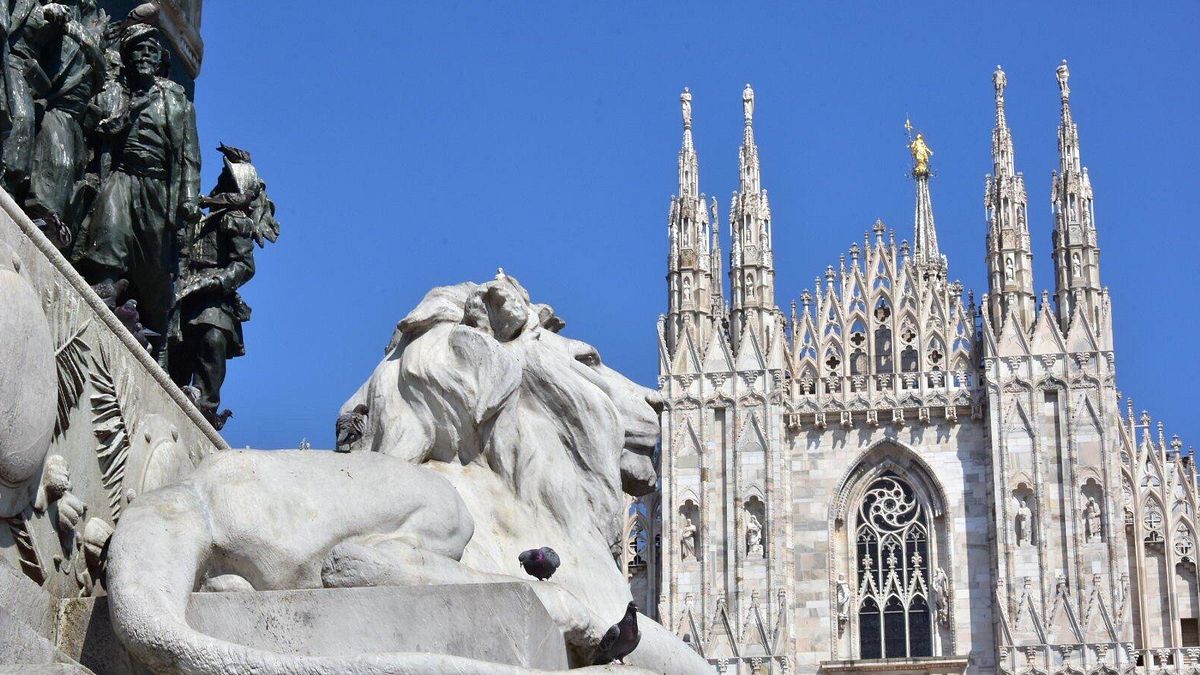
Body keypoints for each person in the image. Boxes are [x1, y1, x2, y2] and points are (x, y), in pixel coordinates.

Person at [72, 22, 200, 363]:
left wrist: (188, 198)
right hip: (120, 177)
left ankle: (160, 342)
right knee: (108, 239)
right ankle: (102, 294)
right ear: (127, 56)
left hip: (157, 188)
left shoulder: (176, 100)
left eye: (150, 50)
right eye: (137, 49)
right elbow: (90, 128)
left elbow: (188, 153)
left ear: (159, 58)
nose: (144, 55)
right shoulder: (113, 93)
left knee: (155, 269)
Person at [170, 144, 276, 428]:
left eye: (226, 177)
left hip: (212, 295)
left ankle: (206, 404)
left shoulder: (235, 220)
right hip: (183, 289)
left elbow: (244, 266)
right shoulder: (203, 218)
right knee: (178, 347)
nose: (220, 180)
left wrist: (214, 281)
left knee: (212, 338)